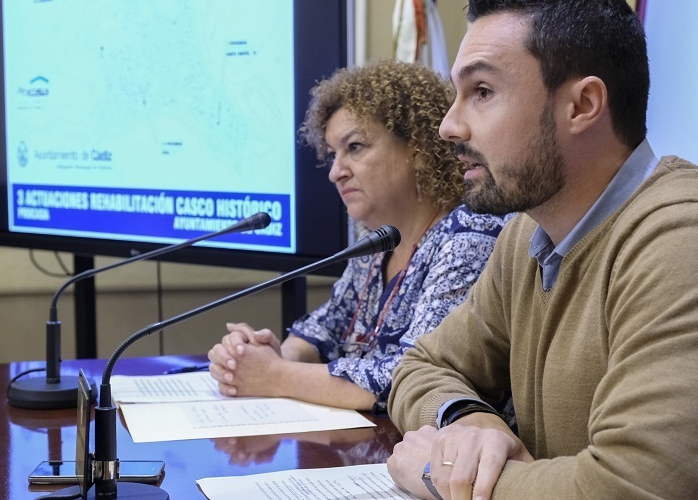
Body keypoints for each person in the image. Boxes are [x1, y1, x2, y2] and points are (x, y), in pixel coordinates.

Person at [386, 0, 698, 500]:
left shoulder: (695, 240)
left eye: (482, 92)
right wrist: (468, 426)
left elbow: (637, 489)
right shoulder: (529, 233)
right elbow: (422, 366)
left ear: (583, 105)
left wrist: (443, 475)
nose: (448, 126)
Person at [207, 59, 507, 414]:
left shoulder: (471, 235)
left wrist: (273, 374)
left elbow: (411, 377)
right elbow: (323, 330)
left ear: (418, 149)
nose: (335, 172)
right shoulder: (377, 243)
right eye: (332, 154)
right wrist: (265, 355)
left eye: (354, 147)